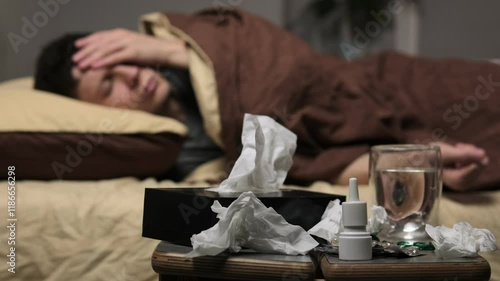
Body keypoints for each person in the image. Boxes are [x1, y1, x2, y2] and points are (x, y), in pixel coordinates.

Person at [34, 9, 495, 192]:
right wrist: (410, 165)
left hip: (376, 83)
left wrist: (170, 50)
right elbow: (306, 164)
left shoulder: (187, 48)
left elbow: (289, 68)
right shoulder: (175, 156)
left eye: (123, 58)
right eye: (109, 84)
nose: (134, 75)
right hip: (361, 140)